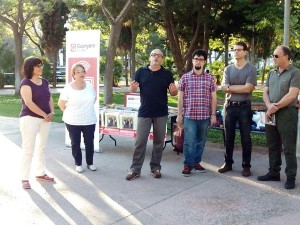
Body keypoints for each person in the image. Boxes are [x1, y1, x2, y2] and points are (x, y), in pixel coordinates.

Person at [126, 48, 178, 181]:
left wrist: (174, 91)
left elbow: (173, 93)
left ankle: (155, 168)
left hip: (161, 112)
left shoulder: (167, 74)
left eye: (159, 55)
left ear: (162, 59)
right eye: (153, 55)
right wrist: (132, 88)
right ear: (150, 57)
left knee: (159, 142)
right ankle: (135, 169)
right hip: (144, 112)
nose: (156, 57)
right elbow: (132, 89)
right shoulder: (140, 72)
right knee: (140, 141)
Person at [257, 45, 300, 189]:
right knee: (273, 145)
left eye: (276, 56)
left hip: (287, 113)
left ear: (286, 57)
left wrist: (275, 107)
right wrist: (269, 106)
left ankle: (291, 177)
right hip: (271, 113)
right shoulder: (271, 73)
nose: (273, 58)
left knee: (288, 147)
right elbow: (265, 92)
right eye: (273, 56)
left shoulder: (295, 73)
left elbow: (292, 95)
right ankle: (274, 172)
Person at [218, 41, 257, 177]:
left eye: (239, 50)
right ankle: (228, 162)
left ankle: (246, 165)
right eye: (234, 50)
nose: (235, 52)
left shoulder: (251, 69)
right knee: (228, 137)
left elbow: (248, 88)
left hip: (244, 107)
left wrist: (231, 88)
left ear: (245, 52)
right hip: (229, 107)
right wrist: (239, 87)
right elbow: (223, 87)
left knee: (246, 137)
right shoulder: (228, 69)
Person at [177, 49, 217, 177]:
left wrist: (213, 115)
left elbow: (214, 98)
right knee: (189, 141)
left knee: (201, 141)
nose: (197, 61)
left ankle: (196, 162)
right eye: (195, 59)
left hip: (204, 116)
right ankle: (188, 164)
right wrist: (179, 114)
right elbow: (180, 97)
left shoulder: (210, 79)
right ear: (192, 60)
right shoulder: (185, 78)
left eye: (200, 59)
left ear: (204, 62)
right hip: (189, 116)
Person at [19, 56, 55, 189]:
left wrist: (52, 112)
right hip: (30, 119)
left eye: (41, 65)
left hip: (45, 119)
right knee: (28, 148)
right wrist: (44, 114)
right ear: (30, 67)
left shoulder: (44, 82)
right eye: (37, 66)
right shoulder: (25, 83)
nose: (41, 68)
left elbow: (49, 98)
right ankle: (24, 178)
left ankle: (40, 173)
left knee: (42, 147)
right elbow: (29, 103)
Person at [58, 64, 97, 173]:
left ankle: (90, 163)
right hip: (73, 120)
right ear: (73, 75)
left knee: (89, 142)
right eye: (78, 72)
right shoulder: (68, 88)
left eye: (82, 71)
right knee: (75, 142)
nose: (81, 74)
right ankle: (78, 163)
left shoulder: (89, 86)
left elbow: (94, 98)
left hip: (89, 119)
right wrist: (71, 112)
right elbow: (61, 104)